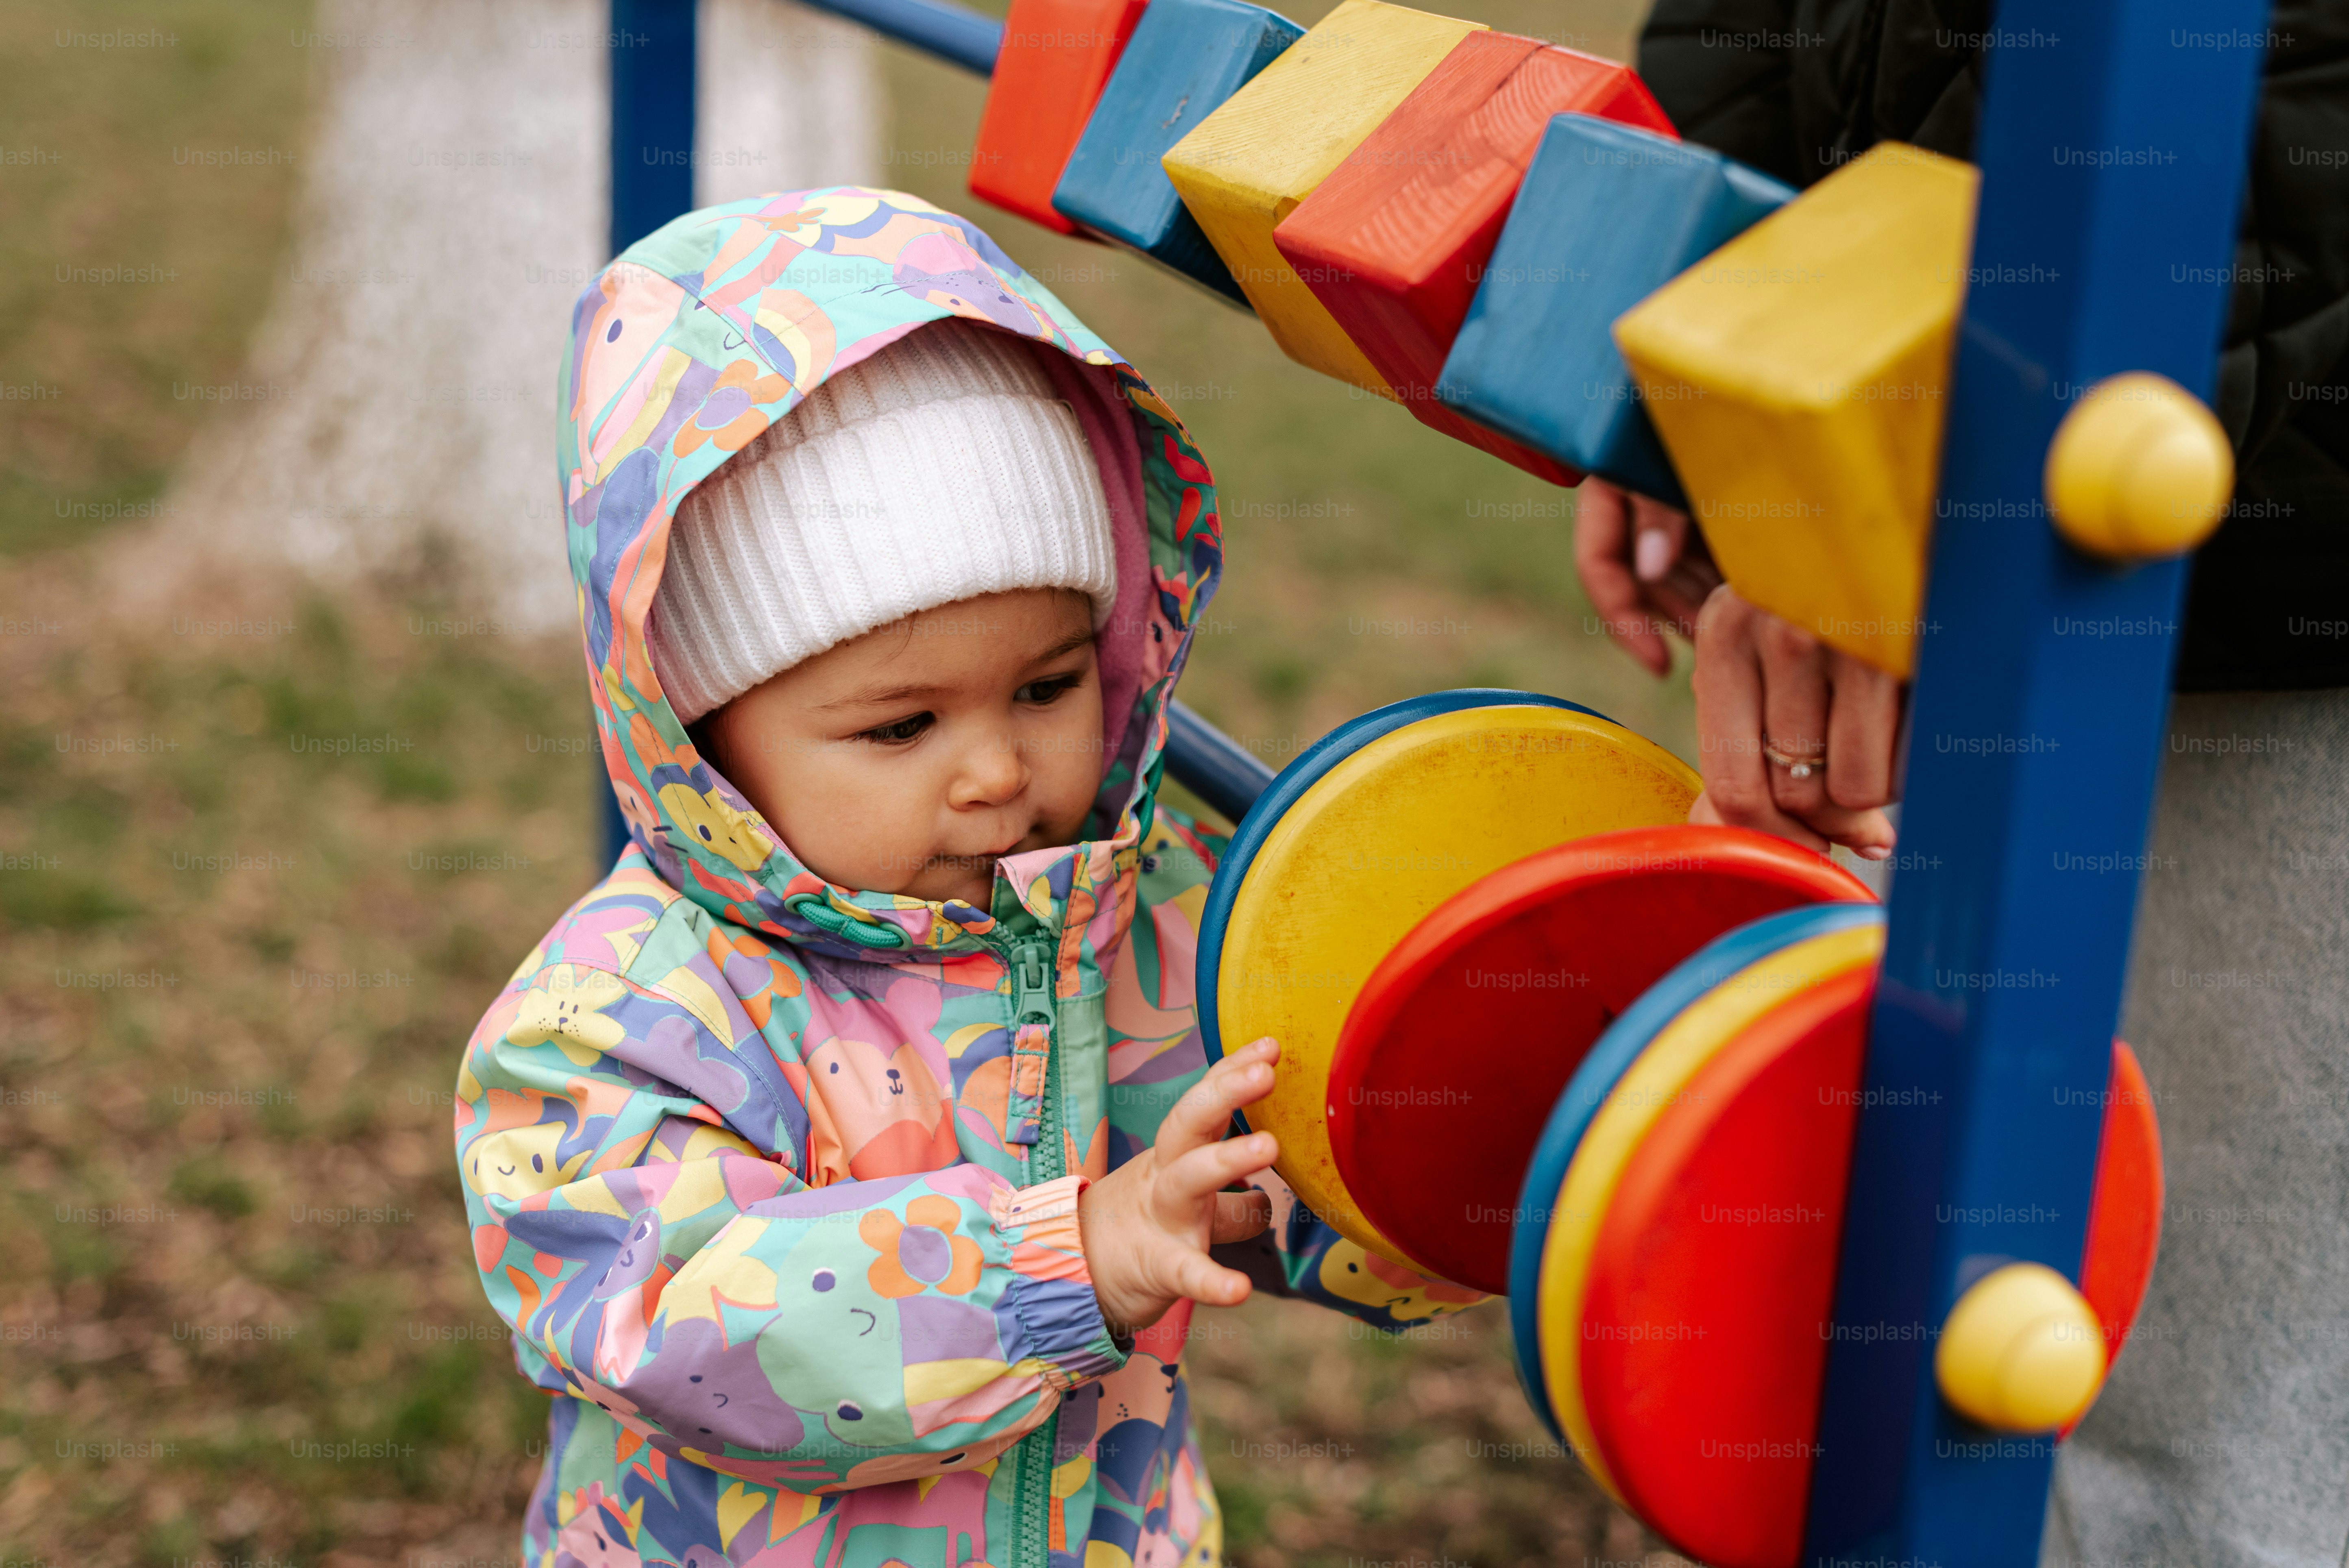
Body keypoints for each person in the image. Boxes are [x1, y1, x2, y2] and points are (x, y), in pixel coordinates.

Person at [453, 187, 1476, 1568]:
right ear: (702, 732)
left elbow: (1286, 1146)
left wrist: (1449, 1157)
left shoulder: (1134, 920)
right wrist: (1068, 1263)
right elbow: (677, 1330)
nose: (998, 772)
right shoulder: (621, 1017)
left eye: (1049, 686)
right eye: (902, 725)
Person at [1573, 7, 2349, 1563]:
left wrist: (1934, 475)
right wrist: (1710, 359)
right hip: (1945, 444)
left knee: (2207, 1442)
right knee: (1886, 1348)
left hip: (2253, 562)